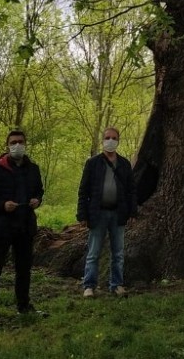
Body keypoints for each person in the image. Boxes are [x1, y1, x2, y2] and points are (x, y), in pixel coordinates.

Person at [0, 129, 44, 328]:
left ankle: (23, 306)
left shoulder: (33, 168)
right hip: (1, 228)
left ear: (25, 144)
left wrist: (37, 200)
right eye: (13, 142)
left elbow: (39, 190)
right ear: (8, 145)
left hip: (25, 227)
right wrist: (2, 205)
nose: (17, 145)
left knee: (24, 270)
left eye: (20, 142)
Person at [77, 126, 138, 298]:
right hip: (98, 213)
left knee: (118, 253)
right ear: (103, 140)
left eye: (114, 138)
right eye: (107, 138)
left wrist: (132, 212)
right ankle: (89, 285)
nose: (110, 141)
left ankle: (116, 284)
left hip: (118, 214)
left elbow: (131, 190)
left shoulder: (125, 164)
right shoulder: (93, 163)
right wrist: (82, 214)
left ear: (118, 141)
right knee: (93, 252)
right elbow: (83, 190)